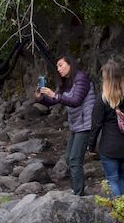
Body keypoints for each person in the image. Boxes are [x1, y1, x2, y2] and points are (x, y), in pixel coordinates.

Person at [36, 54, 95, 196]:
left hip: (85, 124)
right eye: (57, 67)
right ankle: (77, 188)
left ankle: (78, 193)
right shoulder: (67, 82)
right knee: (69, 158)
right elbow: (54, 100)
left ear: (70, 65)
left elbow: (76, 101)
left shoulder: (81, 79)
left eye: (61, 65)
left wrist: (54, 95)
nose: (59, 69)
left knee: (74, 160)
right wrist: (41, 98)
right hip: (77, 125)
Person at [88, 60, 124, 196]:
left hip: (109, 146)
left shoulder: (103, 99)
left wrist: (91, 146)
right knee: (121, 177)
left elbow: (96, 125)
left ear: (106, 79)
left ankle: (120, 212)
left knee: (112, 179)